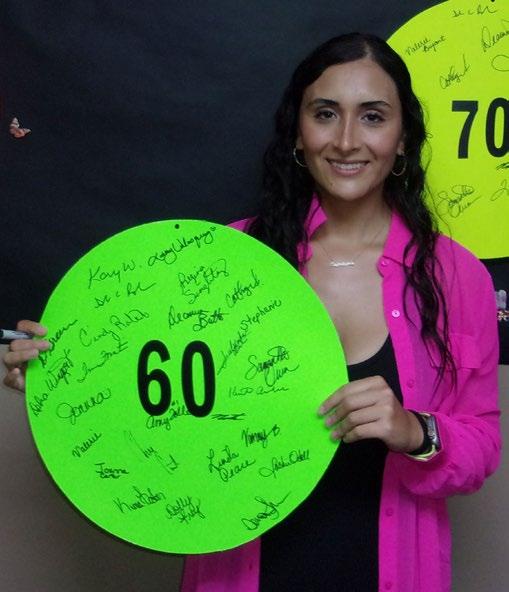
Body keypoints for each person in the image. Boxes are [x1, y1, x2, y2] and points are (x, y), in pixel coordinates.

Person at [3, 33, 501, 592]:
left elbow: (482, 442)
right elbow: (157, 385)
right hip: (240, 575)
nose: (345, 140)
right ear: (298, 131)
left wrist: (416, 431)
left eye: (373, 117)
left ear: (403, 137)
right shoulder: (226, 260)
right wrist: (60, 377)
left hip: (392, 572)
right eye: (325, 113)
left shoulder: (455, 277)